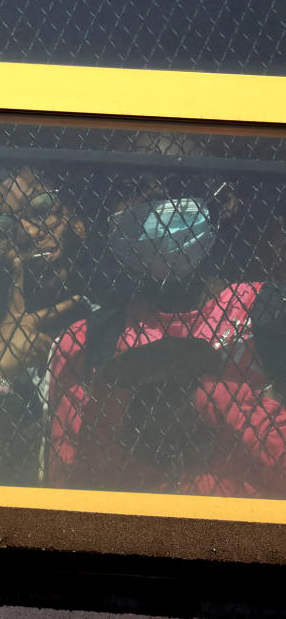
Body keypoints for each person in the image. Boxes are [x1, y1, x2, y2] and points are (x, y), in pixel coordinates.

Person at [47, 133, 286, 496]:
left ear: (225, 201)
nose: (156, 200)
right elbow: (67, 488)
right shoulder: (84, 342)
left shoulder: (272, 317)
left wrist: (213, 399)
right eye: (130, 187)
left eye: (176, 183)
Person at [0, 166, 87, 485]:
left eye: (42, 209)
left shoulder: (120, 323)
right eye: (2, 227)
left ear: (74, 218)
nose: (28, 233)